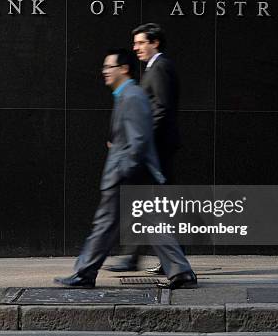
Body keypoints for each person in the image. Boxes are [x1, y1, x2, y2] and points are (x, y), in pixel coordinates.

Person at [54, 48, 196, 289]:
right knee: (151, 224)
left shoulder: (132, 96)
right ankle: (181, 271)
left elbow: (139, 139)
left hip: (125, 177)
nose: (105, 72)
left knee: (105, 225)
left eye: (109, 67)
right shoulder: (127, 95)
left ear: (124, 69)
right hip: (132, 175)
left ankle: (85, 273)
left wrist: (122, 169)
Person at [105, 23, 181, 275]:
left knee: (146, 205)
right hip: (155, 147)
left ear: (154, 42)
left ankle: (141, 258)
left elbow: (161, 108)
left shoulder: (159, 68)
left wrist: (139, 139)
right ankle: (163, 260)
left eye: (140, 42)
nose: (135, 47)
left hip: (156, 148)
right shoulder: (154, 68)